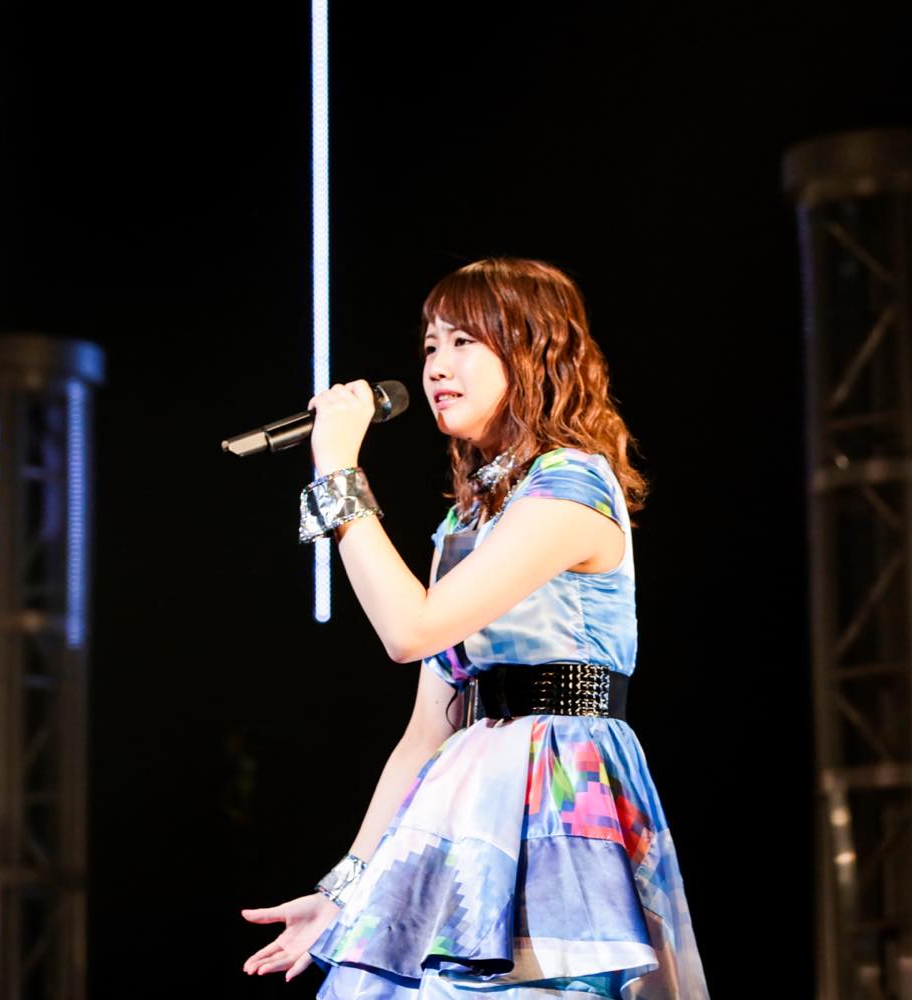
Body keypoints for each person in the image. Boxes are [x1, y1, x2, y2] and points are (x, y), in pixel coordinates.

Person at [241, 258, 708, 997]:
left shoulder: (573, 486)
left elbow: (409, 631)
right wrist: (344, 887)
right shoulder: (466, 523)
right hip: (463, 799)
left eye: (464, 341)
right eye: (430, 345)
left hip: (556, 793)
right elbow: (427, 730)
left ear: (534, 351)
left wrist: (337, 471)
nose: (436, 366)